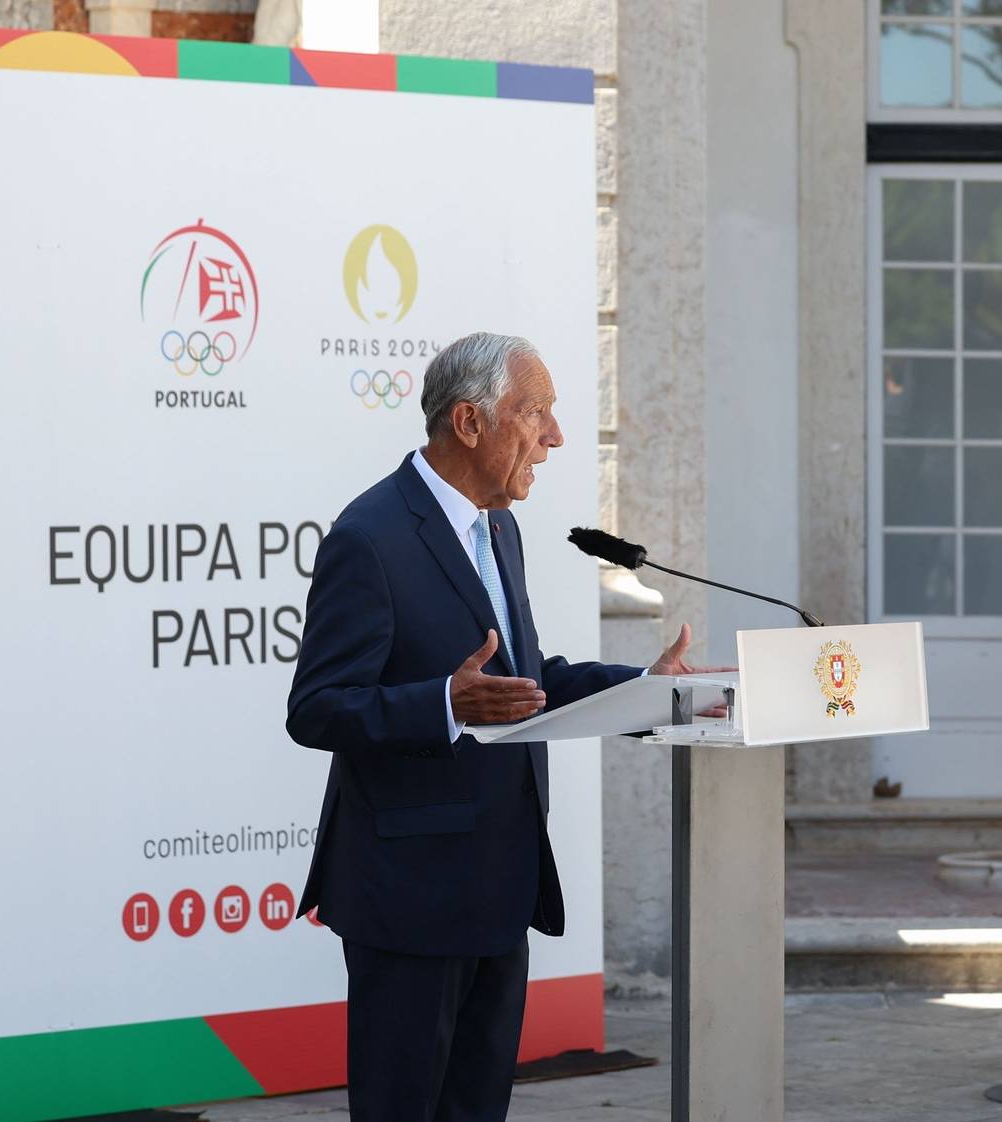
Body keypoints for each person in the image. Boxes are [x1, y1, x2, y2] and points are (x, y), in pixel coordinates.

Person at [286, 332, 722, 1121]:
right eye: (535, 413)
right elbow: (317, 708)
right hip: (410, 898)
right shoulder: (370, 538)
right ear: (470, 422)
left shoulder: (498, 527)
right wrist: (443, 704)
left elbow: (523, 683)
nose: (554, 437)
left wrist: (645, 689)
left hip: (498, 882)